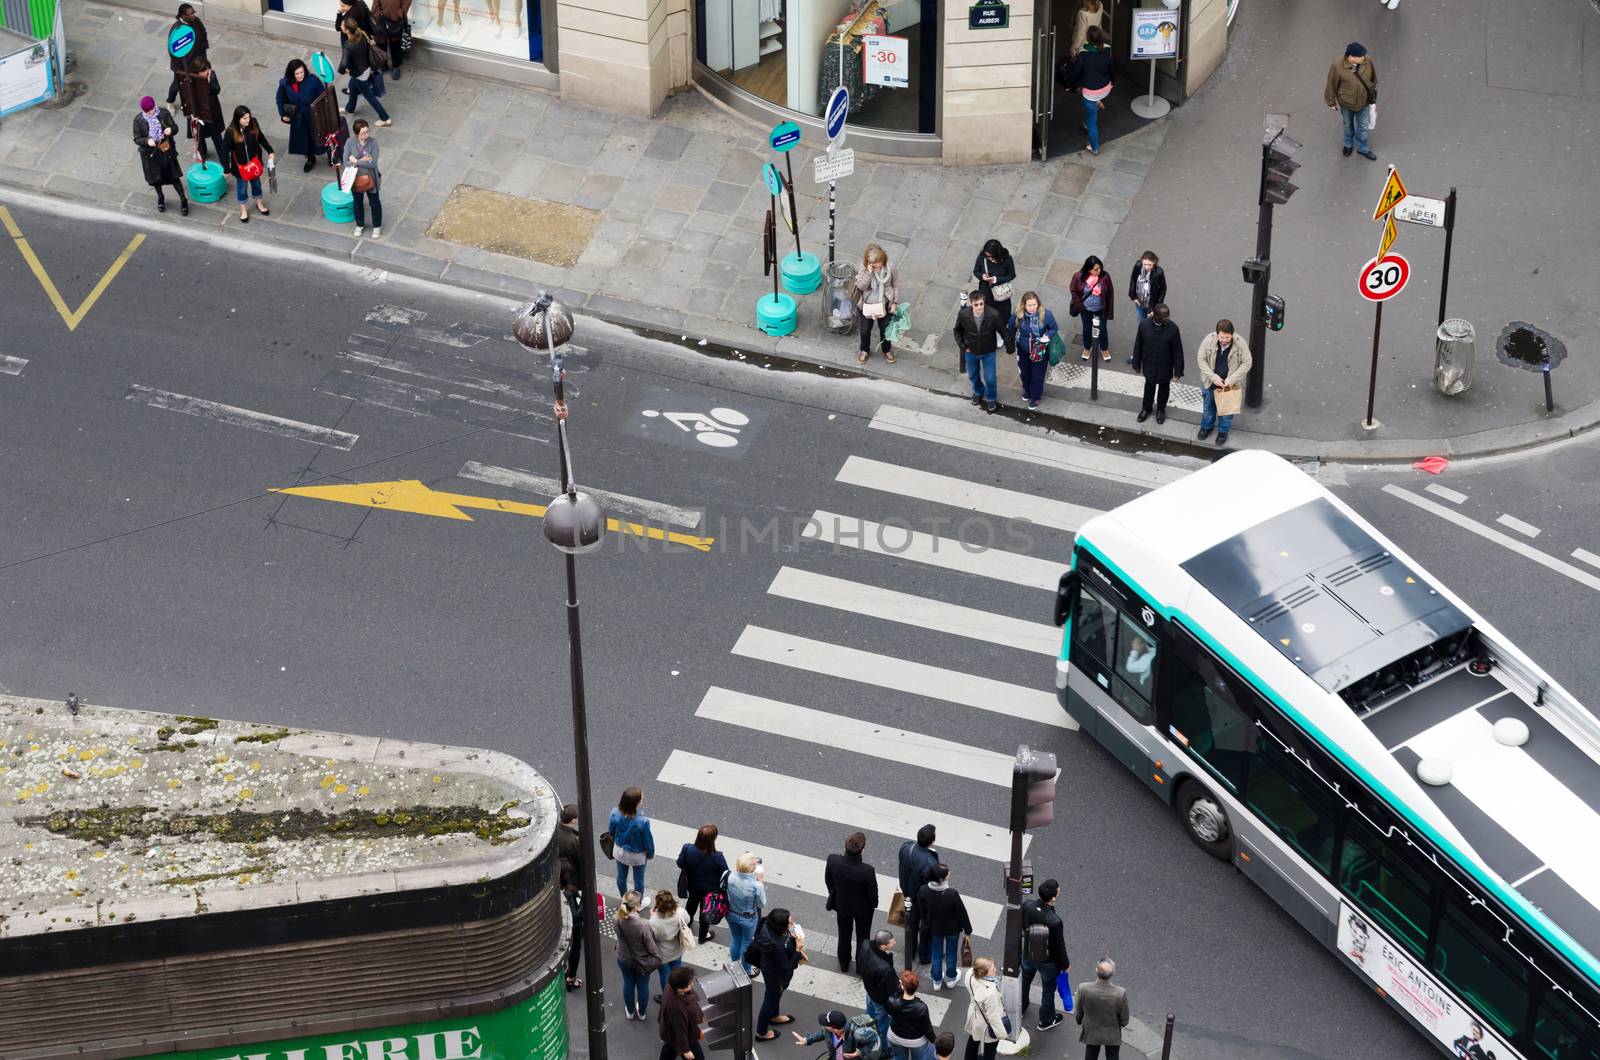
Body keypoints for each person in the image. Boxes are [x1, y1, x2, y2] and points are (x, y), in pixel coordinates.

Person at [1020, 879, 1070, 1032]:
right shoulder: (1054, 921)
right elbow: (1059, 946)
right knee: (1048, 989)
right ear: (1053, 898)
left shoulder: (1027, 905)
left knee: (1025, 980)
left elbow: (1023, 925)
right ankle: (1046, 1019)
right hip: (1047, 962)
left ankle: (1020, 1007)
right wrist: (1065, 965)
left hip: (1028, 953)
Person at [825, 831, 878, 973]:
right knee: (863, 937)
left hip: (842, 904)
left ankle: (844, 963)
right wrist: (873, 904)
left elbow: (829, 881)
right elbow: (872, 895)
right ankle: (861, 968)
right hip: (863, 909)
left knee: (844, 934)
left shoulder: (833, 860)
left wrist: (836, 894)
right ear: (862, 850)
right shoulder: (867, 871)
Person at [1194, 318, 1252, 446]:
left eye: (1227, 337)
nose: (1224, 340)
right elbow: (1201, 359)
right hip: (1210, 382)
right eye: (1222, 337)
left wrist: (1231, 380)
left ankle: (1223, 432)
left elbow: (1247, 363)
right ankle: (1206, 427)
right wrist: (1212, 376)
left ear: (1232, 334)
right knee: (1208, 408)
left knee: (1226, 412)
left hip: (1229, 386)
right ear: (1217, 334)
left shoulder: (1240, 343)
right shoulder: (1209, 340)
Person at [916, 865, 972, 990]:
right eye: (947, 873)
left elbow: (923, 911)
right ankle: (951, 978)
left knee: (936, 953)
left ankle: (936, 981)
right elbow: (961, 913)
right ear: (941, 878)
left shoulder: (923, 890)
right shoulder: (951, 893)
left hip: (935, 928)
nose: (949, 873)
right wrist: (968, 930)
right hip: (952, 928)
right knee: (951, 953)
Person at [752, 908, 804, 1042]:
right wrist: (797, 950)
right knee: (770, 999)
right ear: (780, 926)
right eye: (789, 922)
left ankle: (774, 1017)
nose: (792, 923)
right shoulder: (777, 945)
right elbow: (786, 965)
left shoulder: (767, 923)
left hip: (772, 969)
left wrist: (791, 937)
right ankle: (761, 1032)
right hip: (776, 974)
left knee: (774, 995)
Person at [132, 96, 188, 216]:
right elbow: (137, 138)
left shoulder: (163, 113)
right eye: (148, 111)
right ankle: (160, 197)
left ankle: (183, 200)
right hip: (150, 155)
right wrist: (147, 141)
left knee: (174, 177)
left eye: (152, 109)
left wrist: (170, 130)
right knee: (156, 179)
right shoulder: (138, 120)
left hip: (165, 151)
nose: (151, 112)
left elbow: (175, 128)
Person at [1065, 26, 1114, 156]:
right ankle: (1098, 103)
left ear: (1088, 38)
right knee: (1091, 104)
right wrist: (1112, 83)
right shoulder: (1108, 50)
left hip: (1091, 92)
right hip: (1105, 88)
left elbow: (1075, 74)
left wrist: (1069, 85)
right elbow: (1112, 69)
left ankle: (1094, 147)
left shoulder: (1083, 55)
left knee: (1092, 119)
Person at [1130, 304, 1183, 425]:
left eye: (1168, 315)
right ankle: (1146, 409)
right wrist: (1136, 364)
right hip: (1149, 364)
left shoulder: (1173, 328)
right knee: (1149, 387)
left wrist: (1178, 371)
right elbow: (1138, 345)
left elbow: (1177, 351)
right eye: (1164, 316)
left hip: (1165, 365)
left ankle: (1161, 409)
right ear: (1155, 315)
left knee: (1164, 388)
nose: (1167, 318)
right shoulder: (1144, 325)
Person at [614, 890, 662, 1022]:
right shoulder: (643, 924)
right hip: (642, 961)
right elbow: (652, 947)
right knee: (643, 985)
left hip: (623, 957)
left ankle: (629, 1012)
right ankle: (641, 1013)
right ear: (637, 906)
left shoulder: (616, 918)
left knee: (628, 983)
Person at [1324, 43, 1377, 161]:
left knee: (1363, 126)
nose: (1364, 58)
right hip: (1346, 103)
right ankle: (1348, 144)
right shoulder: (1337, 66)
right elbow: (1331, 84)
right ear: (1351, 56)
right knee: (1348, 125)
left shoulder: (1367, 61)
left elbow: (1373, 77)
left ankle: (1363, 148)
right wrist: (1331, 102)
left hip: (1364, 102)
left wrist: (1372, 94)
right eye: (1360, 56)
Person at [677, 824, 729, 944]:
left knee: (690, 906)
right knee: (705, 912)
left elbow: (680, 863)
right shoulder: (718, 857)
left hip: (692, 886)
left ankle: (684, 928)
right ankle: (702, 936)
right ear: (713, 839)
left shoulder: (687, 848)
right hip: (710, 890)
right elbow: (725, 873)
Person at [897, 824, 940, 966]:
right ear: (931, 841)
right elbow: (932, 884)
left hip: (907, 893)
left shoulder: (906, 847)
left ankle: (911, 951)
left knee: (911, 925)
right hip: (922, 899)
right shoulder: (930, 862)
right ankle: (925, 955)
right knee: (925, 927)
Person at [221, 105, 272, 223]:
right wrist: (226, 169)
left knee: (257, 184)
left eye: (248, 117)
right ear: (237, 119)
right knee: (242, 188)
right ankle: (243, 209)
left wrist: (270, 150)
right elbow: (224, 151)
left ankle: (259, 203)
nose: (248, 120)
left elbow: (261, 138)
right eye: (244, 118)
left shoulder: (253, 123)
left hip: (254, 164)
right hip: (240, 168)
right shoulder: (231, 132)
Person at [953, 293, 1003, 414]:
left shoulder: (993, 314)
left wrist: (1010, 346)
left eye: (981, 304)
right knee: (973, 375)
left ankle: (991, 398)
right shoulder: (964, 314)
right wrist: (964, 347)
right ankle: (978, 391)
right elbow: (957, 331)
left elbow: (1003, 330)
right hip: (971, 351)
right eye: (976, 305)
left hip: (988, 351)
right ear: (971, 304)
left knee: (990, 378)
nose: (979, 307)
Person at [276, 59, 327, 174]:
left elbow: (323, 96)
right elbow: (280, 99)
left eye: (302, 72)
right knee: (304, 139)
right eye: (297, 73)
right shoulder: (285, 84)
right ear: (291, 73)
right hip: (299, 117)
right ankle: (310, 158)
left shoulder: (312, 80)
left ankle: (330, 154)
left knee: (321, 136)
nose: (300, 75)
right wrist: (283, 114)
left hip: (314, 115)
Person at [1073, 959, 1130, 1060]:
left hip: (1091, 1031)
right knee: (1113, 1056)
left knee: (1091, 1055)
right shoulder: (1120, 993)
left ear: (1096, 970)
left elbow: (1078, 1012)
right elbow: (1124, 1018)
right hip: (1112, 1033)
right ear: (1113, 973)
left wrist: (1079, 1021)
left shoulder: (1083, 988)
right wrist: (1122, 1023)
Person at [340, 19, 393, 126]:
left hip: (359, 74)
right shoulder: (361, 33)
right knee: (352, 85)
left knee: (370, 96)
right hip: (366, 68)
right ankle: (350, 109)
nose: (340, 26)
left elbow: (343, 64)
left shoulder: (348, 45)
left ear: (347, 30)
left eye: (342, 25)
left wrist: (342, 70)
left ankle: (385, 118)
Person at [852, 243, 899, 364]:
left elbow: (895, 285)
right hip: (867, 304)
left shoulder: (890, 267)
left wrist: (894, 302)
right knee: (865, 330)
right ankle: (864, 350)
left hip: (884, 303)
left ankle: (886, 350)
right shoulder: (863, 268)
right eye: (874, 262)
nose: (877, 265)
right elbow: (861, 286)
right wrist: (869, 273)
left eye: (879, 262)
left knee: (885, 329)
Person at [1013, 291, 1059, 410]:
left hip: (1040, 349)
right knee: (1024, 373)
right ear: (1024, 305)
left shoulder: (1046, 314)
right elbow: (1010, 327)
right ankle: (1027, 391)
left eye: (1034, 304)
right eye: (1029, 305)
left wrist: (1047, 336)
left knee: (1037, 375)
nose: (1032, 308)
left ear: (1038, 303)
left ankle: (1036, 397)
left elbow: (1054, 328)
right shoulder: (1018, 315)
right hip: (1023, 349)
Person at [178, 57, 228, 165]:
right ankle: (202, 158)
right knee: (199, 139)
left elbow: (216, 90)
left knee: (217, 138)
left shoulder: (211, 75)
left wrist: (209, 82)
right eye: (204, 72)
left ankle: (225, 162)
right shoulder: (191, 80)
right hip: (198, 114)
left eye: (208, 70)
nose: (207, 73)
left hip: (212, 112)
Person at [607, 786, 654, 895]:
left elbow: (611, 831)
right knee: (639, 880)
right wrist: (650, 853)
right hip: (637, 855)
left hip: (620, 850)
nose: (643, 798)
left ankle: (625, 899)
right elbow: (647, 841)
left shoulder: (615, 813)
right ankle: (636, 903)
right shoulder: (643, 821)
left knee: (621, 877)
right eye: (641, 798)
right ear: (636, 803)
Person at [972, 240, 1016, 353]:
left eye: (991, 257)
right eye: (987, 256)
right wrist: (982, 276)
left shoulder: (1007, 259)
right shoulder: (982, 257)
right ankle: (991, 333)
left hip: (1001, 293)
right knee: (987, 314)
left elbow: (1011, 275)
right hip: (986, 292)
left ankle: (1000, 333)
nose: (989, 258)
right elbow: (976, 271)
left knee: (1003, 315)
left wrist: (996, 279)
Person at [726, 851, 767, 976]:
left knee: (735, 939)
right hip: (748, 918)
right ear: (752, 869)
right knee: (746, 943)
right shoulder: (756, 885)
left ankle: (734, 965)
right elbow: (762, 904)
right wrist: (761, 882)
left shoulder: (729, 876)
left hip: (731, 913)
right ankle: (747, 970)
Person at [1069, 256, 1115, 362]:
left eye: (1100, 268)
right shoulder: (1078, 276)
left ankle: (1104, 348)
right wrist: (1080, 306)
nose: (1098, 271)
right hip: (1086, 308)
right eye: (1095, 269)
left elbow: (1110, 293)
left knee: (1102, 329)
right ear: (1088, 269)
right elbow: (1073, 290)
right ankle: (1087, 347)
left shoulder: (1105, 276)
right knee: (1087, 328)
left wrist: (1109, 309)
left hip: (1100, 308)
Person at [859, 929, 899, 1047]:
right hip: (879, 998)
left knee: (869, 1014)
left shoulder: (866, 944)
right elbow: (888, 990)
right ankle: (884, 1048)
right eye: (891, 942)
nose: (895, 943)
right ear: (882, 946)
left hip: (870, 990)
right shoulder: (884, 969)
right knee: (883, 1024)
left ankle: (863, 1033)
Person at [886, 970, 938, 1060]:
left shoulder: (892, 1001)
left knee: (898, 1057)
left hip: (895, 1036)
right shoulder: (922, 1007)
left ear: (902, 986)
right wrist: (935, 1041)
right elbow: (927, 1029)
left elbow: (890, 1009)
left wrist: (900, 988)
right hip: (916, 1041)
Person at [164, 4, 209, 104]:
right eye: (190, 14)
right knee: (177, 84)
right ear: (182, 15)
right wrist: (182, 67)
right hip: (183, 66)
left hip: (197, 61)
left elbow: (203, 33)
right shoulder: (177, 29)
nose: (193, 15)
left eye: (193, 12)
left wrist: (204, 49)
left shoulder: (196, 21)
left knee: (198, 82)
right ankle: (170, 102)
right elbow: (173, 52)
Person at [346, 118, 383, 239]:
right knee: (357, 203)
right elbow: (345, 162)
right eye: (363, 133)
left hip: (371, 178)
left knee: (375, 202)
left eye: (367, 131)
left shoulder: (373, 143)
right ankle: (359, 225)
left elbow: (373, 164)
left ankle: (377, 226)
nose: (366, 135)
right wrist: (363, 161)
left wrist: (356, 161)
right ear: (356, 134)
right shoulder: (350, 142)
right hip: (356, 179)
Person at [963, 957, 1007, 1060]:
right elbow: (993, 1017)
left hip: (974, 1015)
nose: (995, 970)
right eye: (992, 969)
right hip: (987, 1024)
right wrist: (1001, 1034)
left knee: (973, 1040)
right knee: (990, 1048)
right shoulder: (990, 993)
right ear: (984, 973)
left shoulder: (970, 974)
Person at [1126, 252, 1166, 364]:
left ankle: (1149, 354)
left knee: (1151, 330)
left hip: (1152, 306)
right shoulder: (1138, 266)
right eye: (1145, 264)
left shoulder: (1159, 272)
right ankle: (1138, 354)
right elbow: (1133, 280)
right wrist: (1133, 296)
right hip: (1140, 303)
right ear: (1141, 261)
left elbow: (1163, 289)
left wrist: (1156, 308)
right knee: (1142, 328)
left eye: (1150, 264)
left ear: (1155, 262)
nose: (1147, 267)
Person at [659, 965, 706, 1060]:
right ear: (680, 988)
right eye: (689, 984)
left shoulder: (671, 987)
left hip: (672, 1033)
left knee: (670, 1048)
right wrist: (686, 1050)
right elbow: (679, 1030)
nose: (692, 984)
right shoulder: (677, 1008)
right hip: (687, 1036)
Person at [649, 889, 691, 993]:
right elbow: (688, 920)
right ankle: (679, 992)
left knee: (665, 977)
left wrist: (652, 915)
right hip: (677, 950)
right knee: (677, 974)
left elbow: (653, 936)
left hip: (662, 955)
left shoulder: (654, 921)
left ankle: (667, 996)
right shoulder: (681, 912)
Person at [793, 1009, 880, 1058]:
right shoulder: (829, 1030)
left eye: (825, 1024)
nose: (823, 1025)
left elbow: (874, 1039)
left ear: (833, 1028)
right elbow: (822, 1033)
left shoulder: (858, 1034)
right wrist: (808, 1040)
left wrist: (860, 1052)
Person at [371, 0, 412, 79]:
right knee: (381, 43)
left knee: (396, 44)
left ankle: (396, 66)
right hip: (381, 19)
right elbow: (374, 6)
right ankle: (383, 64)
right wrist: (376, 14)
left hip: (396, 19)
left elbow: (407, 1)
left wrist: (401, 11)